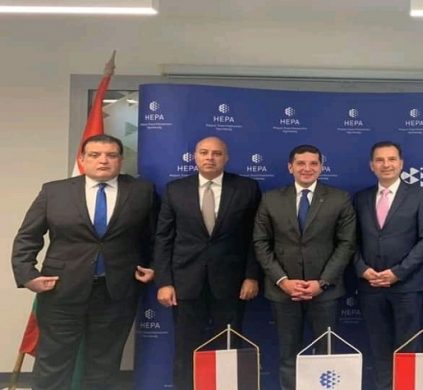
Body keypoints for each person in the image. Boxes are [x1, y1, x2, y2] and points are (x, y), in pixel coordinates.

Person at [11, 134, 157, 390]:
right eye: (95, 155)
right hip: (61, 290)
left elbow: (155, 236)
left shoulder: (141, 191)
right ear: (82, 159)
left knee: (104, 365)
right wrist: (28, 276)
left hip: (116, 292)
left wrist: (152, 265)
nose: (103, 160)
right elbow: (27, 237)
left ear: (120, 160)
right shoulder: (54, 191)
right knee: (53, 361)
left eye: (111, 155)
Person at [153, 136, 261, 390]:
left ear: (226, 158)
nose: (210, 158)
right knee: (186, 348)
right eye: (204, 152)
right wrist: (164, 282)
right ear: (195, 157)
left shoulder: (246, 188)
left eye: (216, 153)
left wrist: (252, 276)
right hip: (186, 283)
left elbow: (256, 237)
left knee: (228, 347)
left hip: (232, 283)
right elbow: (163, 239)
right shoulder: (175, 189)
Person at [253, 144, 357, 390]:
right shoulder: (271, 199)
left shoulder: (339, 198)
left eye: (313, 163)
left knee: (326, 354)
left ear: (321, 167)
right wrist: (282, 281)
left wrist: (323, 282)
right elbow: (260, 242)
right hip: (283, 291)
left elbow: (347, 244)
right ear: (290, 167)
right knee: (289, 355)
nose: (307, 168)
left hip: (325, 291)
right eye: (301, 163)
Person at [353, 141, 423, 390]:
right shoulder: (361, 198)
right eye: (380, 160)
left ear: (401, 163)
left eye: (391, 159)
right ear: (371, 165)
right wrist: (362, 269)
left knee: (407, 349)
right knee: (378, 348)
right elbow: (350, 241)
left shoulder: (420, 195)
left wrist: (398, 272)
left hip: (407, 286)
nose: (386, 164)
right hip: (370, 287)